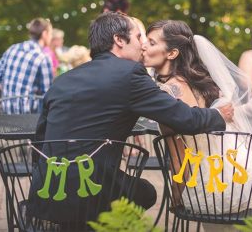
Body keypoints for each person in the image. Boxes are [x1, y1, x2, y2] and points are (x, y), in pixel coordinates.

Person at [27, 12, 233, 226]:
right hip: (92, 192)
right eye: (138, 37)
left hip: (47, 190)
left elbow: (41, 137)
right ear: (119, 40)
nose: (142, 45)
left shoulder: (63, 80)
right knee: (146, 192)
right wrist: (218, 114)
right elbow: (185, 119)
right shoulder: (129, 73)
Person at [142, 20, 252, 214]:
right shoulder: (198, 82)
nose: (143, 46)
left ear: (172, 53)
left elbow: (180, 159)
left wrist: (176, 197)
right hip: (242, 174)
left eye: (152, 42)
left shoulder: (167, 94)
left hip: (208, 185)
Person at [0, 18, 53, 112]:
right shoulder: (43, 57)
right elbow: (48, 94)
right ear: (44, 34)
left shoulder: (12, 48)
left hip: (6, 116)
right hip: (29, 119)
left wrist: (11, 93)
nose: (51, 37)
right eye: (51, 34)